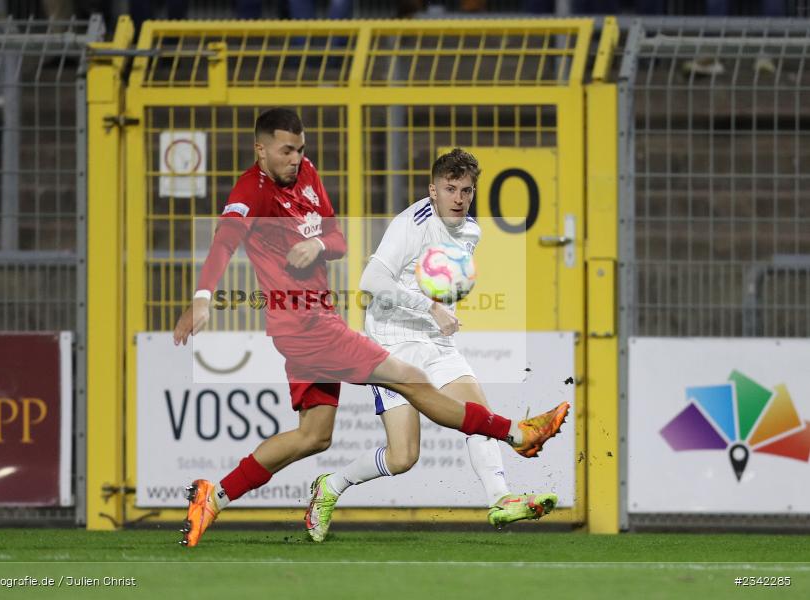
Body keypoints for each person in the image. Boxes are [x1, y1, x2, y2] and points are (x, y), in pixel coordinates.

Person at [172, 108, 569, 548]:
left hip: (318, 318)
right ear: (260, 149)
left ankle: (216, 495)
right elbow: (226, 240)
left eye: (300, 149)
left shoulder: (307, 175)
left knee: (314, 435)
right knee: (415, 383)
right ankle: (518, 433)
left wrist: (318, 244)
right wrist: (202, 299)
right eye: (286, 150)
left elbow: (338, 241)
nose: (296, 158)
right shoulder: (252, 191)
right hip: (309, 326)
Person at [303, 149, 560, 542]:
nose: (459, 198)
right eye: (450, 189)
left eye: (467, 191)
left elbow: (439, 281)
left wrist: (443, 308)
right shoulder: (412, 223)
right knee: (403, 457)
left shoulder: (472, 230)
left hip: (433, 338)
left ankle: (501, 498)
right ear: (433, 190)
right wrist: (432, 307)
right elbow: (371, 280)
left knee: (478, 413)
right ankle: (332, 485)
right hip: (391, 341)